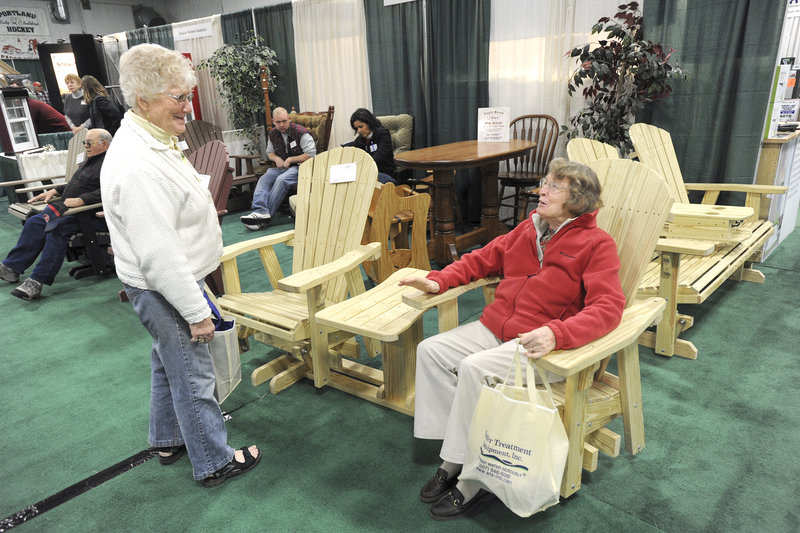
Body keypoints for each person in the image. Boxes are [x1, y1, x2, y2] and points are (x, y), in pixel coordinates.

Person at [398, 158, 626, 521]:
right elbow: (482, 259)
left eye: (553, 186)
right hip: (494, 329)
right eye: (544, 182)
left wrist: (557, 333)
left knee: (472, 370)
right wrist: (438, 280)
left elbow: (610, 306)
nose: (542, 190)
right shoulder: (527, 229)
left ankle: (471, 482)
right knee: (432, 351)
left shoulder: (596, 244)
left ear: (577, 200)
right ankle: (457, 454)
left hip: (538, 347)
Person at [101, 43, 260, 487]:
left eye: (186, 95)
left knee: (166, 359)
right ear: (143, 100)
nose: (186, 106)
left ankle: (168, 438)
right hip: (165, 285)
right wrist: (196, 313)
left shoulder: (151, 139)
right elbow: (159, 256)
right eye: (177, 97)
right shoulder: (137, 165)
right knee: (193, 372)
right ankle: (213, 461)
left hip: (165, 282)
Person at [0, 129, 111, 300]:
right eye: (84, 143)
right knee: (35, 222)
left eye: (89, 143)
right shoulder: (90, 160)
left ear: (105, 145)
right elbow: (75, 183)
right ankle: (11, 268)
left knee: (58, 228)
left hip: (89, 215)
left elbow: (112, 190)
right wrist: (56, 190)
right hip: (69, 211)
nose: (85, 146)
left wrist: (82, 199)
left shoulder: (112, 163)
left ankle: (37, 281)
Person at [239, 107, 316, 230]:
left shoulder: (302, 133)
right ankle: (260, 210)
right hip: (283, 167)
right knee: (265, 178)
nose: (281, 125)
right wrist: (276, 159)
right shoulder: (273, 133)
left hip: (301, 167)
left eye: (284, 121)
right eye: (278, 122)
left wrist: (291, 159)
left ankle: (264, 217)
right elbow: (270, 152)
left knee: (281, 180)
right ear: (273, 122)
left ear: (289, 119)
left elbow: (311, 154)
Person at [343, 108, 396, 184]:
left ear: (369, 123)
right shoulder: (361, 139)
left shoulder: (383, 134)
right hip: (368, 172)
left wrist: (362, 165)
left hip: (384, 172)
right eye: (356, 128)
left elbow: (380, 156)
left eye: (361, 126)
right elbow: (352, 147)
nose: (359, 131)